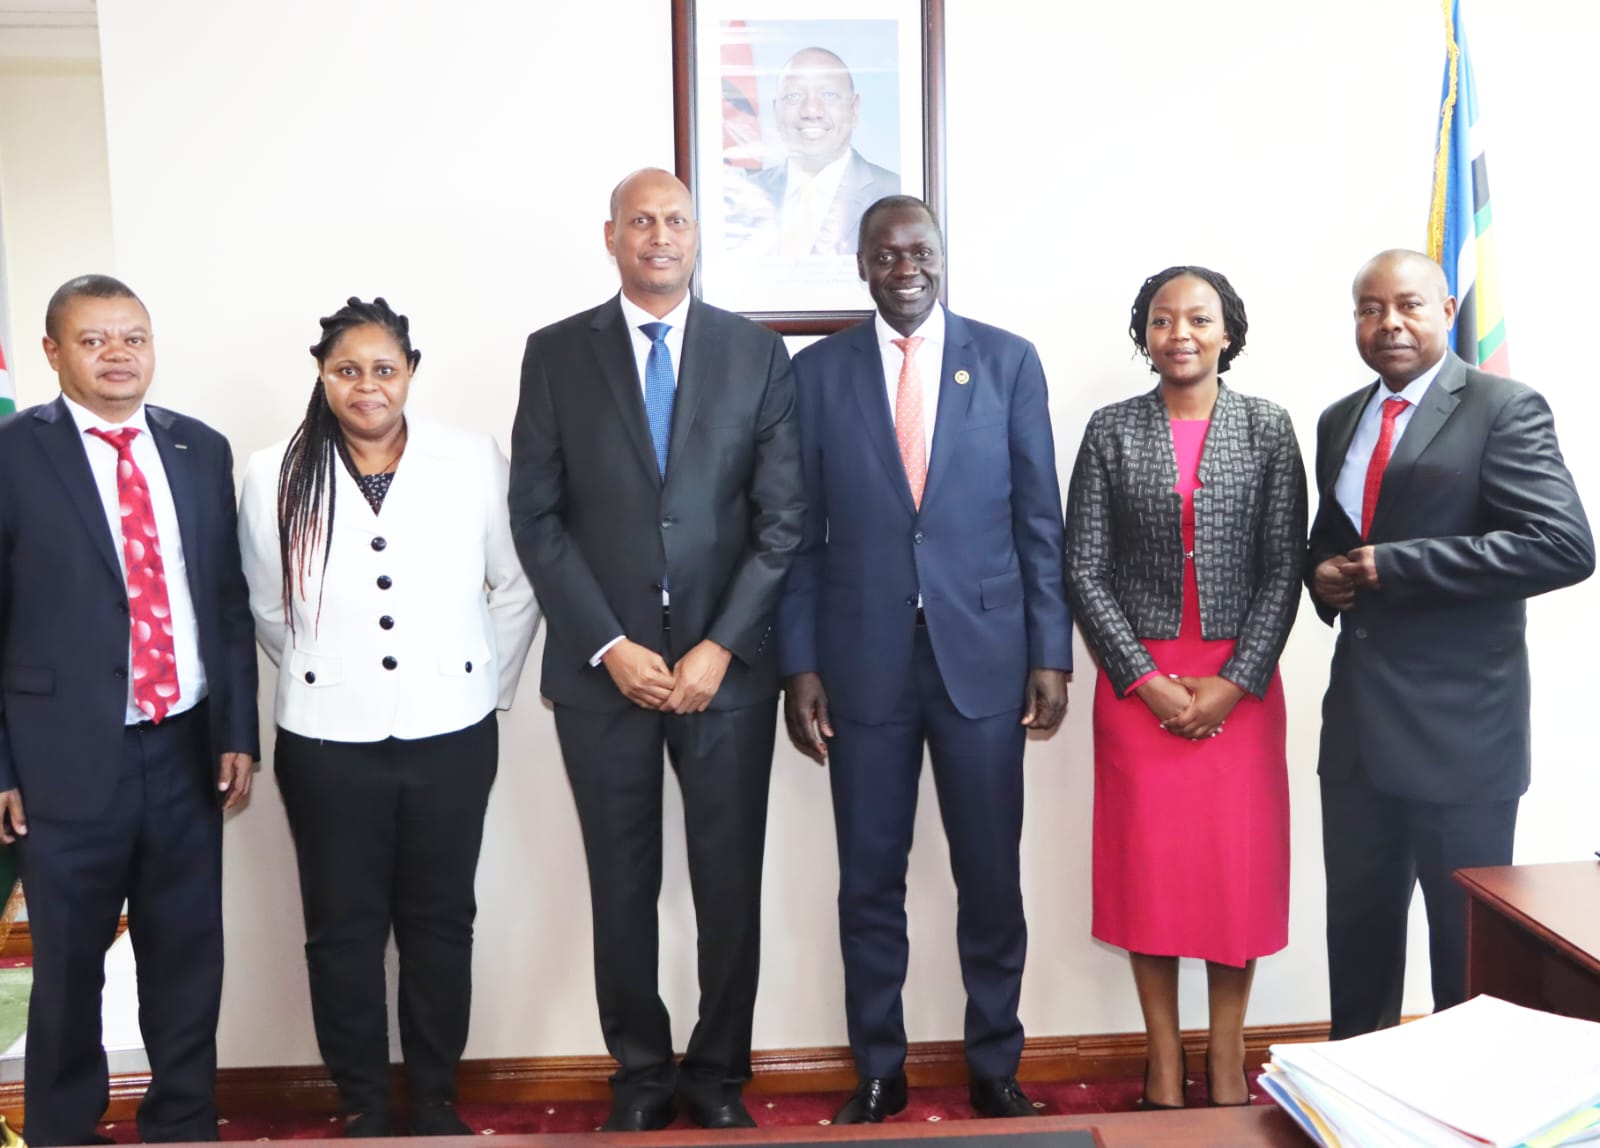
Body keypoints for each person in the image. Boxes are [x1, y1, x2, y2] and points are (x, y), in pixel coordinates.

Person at [508, 168, 803, 1132]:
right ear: (610, 236)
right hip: (605, 680)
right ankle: (638, 1074)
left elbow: (781, 521)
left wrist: (722, 645)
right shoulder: (555, 355)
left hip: (727, 676)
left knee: (729, 886)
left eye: (676, 220)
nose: (660, 236)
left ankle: (719, 1075)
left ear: (697, 236)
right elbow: (537, 517)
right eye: (642, 221)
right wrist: (605, 644)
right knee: (621, 883)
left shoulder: (759, 355)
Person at [777, 196, 1071, 1123]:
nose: (906, 266)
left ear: (943, 258)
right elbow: (796, 536)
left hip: (983, 659)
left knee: (991, 873)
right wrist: (799, 663)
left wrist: (1051, 650)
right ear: (860, 265)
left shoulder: (1008, 360)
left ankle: (994, 1064)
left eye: (921, 250)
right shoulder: (816, 374)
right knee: (869, 878)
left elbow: (1038, 521)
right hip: (861, 663)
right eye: (886, 253)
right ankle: (879, 1066)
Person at [237, 297, 539, 1137]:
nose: (367, 385)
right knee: (343, 928)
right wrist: (327, 671)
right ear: (323, 376)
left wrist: (484, 688)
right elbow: (267, 603)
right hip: (327, 738)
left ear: (410, 371)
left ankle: (436, 1096)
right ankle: (365, 1101)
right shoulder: (274, 471)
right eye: (346, 370)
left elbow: (514, 587)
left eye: (383, 368)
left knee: (442, 921)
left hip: (453, 729)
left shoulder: (472, 458)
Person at [1307, 249, 1594, 1039]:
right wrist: (1321, 579)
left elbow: (1564, 545)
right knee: (1357, 944)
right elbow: (1336, 540)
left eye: (1408, 306)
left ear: (1445, 314)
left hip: (1461, 736)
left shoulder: (1503, 407)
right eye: (1370, 308)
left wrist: (1396, 567)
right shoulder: (1341, 418)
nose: (1388, 323)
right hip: (1360, 734)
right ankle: (1353, 1104)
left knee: (1465, 959)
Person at [0, 274, 259, 1146]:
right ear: (52, 353)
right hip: (63, 760)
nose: (118, 355)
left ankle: (182, 1125)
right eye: (94, 339)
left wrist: (236, 733)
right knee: (70, 970)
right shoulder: (11, 453)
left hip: (186, 749)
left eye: (133, 337)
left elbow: (225, 600)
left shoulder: (200, 449)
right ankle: (63, 1132)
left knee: (187, 961)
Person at [1064, 267, 1306, 1109]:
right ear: (1145, 334)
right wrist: (1144, 681)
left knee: (1233, 878)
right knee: (1152, 876)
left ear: (1228, 333)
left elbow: (1286, 568)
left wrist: (1233, 684)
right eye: (1163, 320)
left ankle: (1230, 1057)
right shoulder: (1110, 432)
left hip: (1242, 689)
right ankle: (1164, 1062)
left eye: (1199, 319)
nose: (1181, 334)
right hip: (1139, 691)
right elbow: (1083, 570)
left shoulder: (1269, 429)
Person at [729, 47, 899, 257]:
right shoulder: (744, 197)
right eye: (794, 95)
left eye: (828, 95)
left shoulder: (896, 194)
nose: (811, 110)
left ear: (854, 110)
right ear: (775, 110)